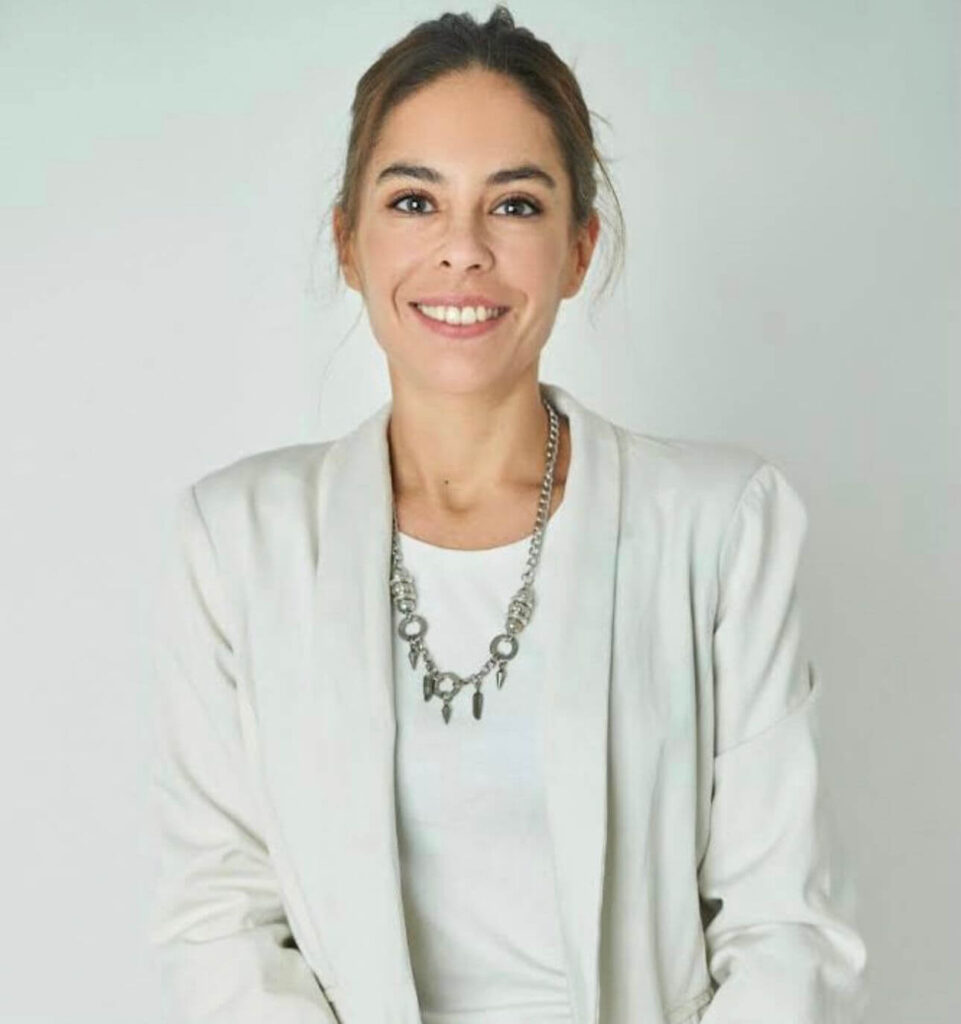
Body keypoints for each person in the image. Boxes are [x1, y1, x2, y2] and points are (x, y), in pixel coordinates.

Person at [148, 6, 868, 1023]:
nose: (462, 250)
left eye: (515, 205)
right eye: (414, 201)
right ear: (348, 242)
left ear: (578, 248)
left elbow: (785, 927)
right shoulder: (238, 539)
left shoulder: (719, 525)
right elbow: (219, 920)